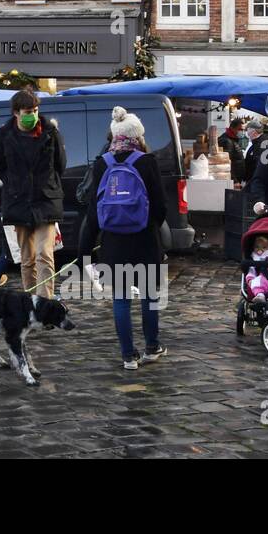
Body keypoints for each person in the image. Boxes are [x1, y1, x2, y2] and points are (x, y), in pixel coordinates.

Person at [78, 108, 169, 370]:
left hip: (113, 243)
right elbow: (161, 206)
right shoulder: (147, 161)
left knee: (121, 299)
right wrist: (152, 228)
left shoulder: (102, 162)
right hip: (144, 240)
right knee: (149, 296)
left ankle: (128, 355)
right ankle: (152, 347)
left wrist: (86, 252)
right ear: (137, 135)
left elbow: (94, 210)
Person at [0, 90, 66, 299]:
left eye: (35, 110)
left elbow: (60, 164)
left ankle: (45, 301)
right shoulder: (5, 134)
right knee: (27, 258)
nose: (32, 115)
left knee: (45, 253)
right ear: (16, 113)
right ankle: (30, 301)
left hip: (46, 201)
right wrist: (15, 185)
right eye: (27, 111)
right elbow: (1, 167)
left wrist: (47, 184)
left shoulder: (50, 132)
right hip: (19, 201)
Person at [218, 119, 246, 185]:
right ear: (232, 128)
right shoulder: (227, 141)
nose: (242, 132)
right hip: (232, 181)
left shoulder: (233, 139)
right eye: (240, 129)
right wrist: (234, 180)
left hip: (237, 178)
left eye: (243, 130)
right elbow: (226, 163)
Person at [243, 120, 268, 186]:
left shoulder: (264, 143)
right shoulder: (256, 142)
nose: (246, 132)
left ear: (253, 131)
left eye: (247, 130)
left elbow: (263, 167)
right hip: (253, 181)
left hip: (257, 183)